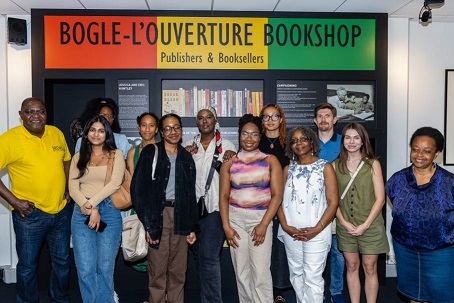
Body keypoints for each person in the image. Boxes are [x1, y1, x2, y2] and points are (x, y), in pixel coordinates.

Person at [0, 97, 72, 303]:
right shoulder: (9, 139)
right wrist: (14, 201)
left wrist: (67, 186)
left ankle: (60, 298)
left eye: (40, 111)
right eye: (30, 111)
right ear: (21, 114)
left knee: (62, 262)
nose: (35, 116)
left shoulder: (56, 133)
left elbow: (66, 160)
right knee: (28, 266)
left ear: (46, 113)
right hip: (30, 215)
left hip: (60, 212)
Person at [131, 113, 198, 303]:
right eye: (167, 128)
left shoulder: (186, 156)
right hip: (158, 216)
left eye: (176, 127)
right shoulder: (151, 152)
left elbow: (190, 194)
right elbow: (138, 191)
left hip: (181, 216)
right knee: (157, 269)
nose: (173, 132)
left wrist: (192, 226)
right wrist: (149, 224)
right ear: (161, 131)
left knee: (178, 270)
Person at [219, 114, 283, 303]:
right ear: (239, 135)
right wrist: (226, 227)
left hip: (260, 219)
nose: (249, 139)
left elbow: (277, 196)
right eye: (245, 134)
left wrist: (264, 224)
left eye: (254, 135)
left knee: (261, 272)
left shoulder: (270, 160)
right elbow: (223, 197)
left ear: (260, 136)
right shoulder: (229, 163)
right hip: (235, 221)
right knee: (241, 271)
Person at [386, 127, 454, 303]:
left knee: (442, 296)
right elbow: (398, 208)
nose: (419, 155)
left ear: (437, 153)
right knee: (413, 295)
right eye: (415, 149)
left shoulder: (449, 182)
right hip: (406, 249)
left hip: (440, 252)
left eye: (427, 151)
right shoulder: (397, 179)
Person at [277, 126, 339, 303]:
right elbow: (278, 201)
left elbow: (333, 203)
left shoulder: (325, 167)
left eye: (303, 139)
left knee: (313, 277)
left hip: (317, 232)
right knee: (296, 274)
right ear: (290, 146)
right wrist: (286, 227)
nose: (299, 143)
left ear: (312, 142)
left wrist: (316, 229)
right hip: (291, 233)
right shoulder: (287, 170)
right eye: (294, 141)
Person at [69, 115, 125, 303]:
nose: (96, 134)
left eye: (101, 130)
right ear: (86, 134)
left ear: (107, 134)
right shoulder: (78, 157)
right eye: (92, 130)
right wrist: (88, 207)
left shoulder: (115, 154)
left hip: (108, 210)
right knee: (85, 267)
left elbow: (115, 184)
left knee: (105, 266)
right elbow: (72, 187)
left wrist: (92, 204)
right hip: (81, 212)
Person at [184, 106, 236, 303]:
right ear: (196, 123)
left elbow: (235, 178)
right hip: (192, 209)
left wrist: (232, 158)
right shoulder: (188, 146)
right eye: (200, 118)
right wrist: (184, 157)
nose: (204, 121)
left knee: (209, 256)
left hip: (216, 207)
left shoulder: (227, 145)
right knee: (198, 256)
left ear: (215, 121)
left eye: (208, 117)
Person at [333, 122, 389, 303]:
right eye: (348, 137)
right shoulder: (335, 165)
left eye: (356, 138)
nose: (352, 141)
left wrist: (365, 225)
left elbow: (380, 199)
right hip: (345, 226)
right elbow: (332, 200)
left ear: (363, 141)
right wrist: (343, 222)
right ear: (343, 141)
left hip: (371, 226)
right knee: (351, 266)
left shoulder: (373, 164)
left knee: (370, 267)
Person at [258, 104, 291, 303]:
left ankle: (278, 291)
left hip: (284, 202)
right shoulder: (255, 141)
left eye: (274, 116)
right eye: (266, 117)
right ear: (262, 121)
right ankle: (263, 290)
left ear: (281, 119)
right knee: (262, 249)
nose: (270, 120)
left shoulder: (289, 143)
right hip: (260, 203)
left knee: (279, 250)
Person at [313, 103, 345, 303]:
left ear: (335, 120)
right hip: (312, 206)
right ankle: (315, 290)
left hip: (338, 205)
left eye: (328, 116)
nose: (324, 120)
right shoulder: (306, 143)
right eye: (320, 116)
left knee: (337, 252)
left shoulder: (345, 143)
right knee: (315, 251)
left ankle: (336, 291)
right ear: (315, 121)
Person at [125, 112, 159, 277]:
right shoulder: (133, 152)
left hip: (159, 207)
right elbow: (132, 182)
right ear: (139, 128)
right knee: (143, 250)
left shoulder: (164, 148)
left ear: (157, 129)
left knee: (161, 254)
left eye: (151, 125)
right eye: (144, 125)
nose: (147, 129)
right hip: (139, 207)